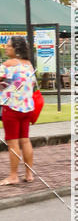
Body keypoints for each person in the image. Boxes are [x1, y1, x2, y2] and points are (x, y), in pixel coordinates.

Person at [0, 36, 36, 185]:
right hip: (27, 108)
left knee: (12, 142)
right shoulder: (29, 65)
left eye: (9, 46)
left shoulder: (7, 65)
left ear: (16, 49)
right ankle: (29, 174)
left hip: (11, 108)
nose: (6, 48)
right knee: (25, 140)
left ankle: (13, 176)